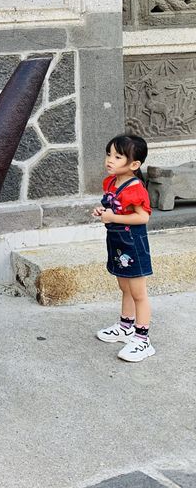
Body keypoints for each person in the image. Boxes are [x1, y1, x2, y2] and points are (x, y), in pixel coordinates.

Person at [92, 134, 155, 362]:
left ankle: (142, 339)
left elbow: (143, 218)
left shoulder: (135, 188)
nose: (110, 160)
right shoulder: (110, 182)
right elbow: (112, 206)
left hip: (133, 244)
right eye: (109, 154)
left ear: (134, 165)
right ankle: (125, 326)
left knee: (139, 292)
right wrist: (102, 211)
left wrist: (113, 217)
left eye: (118, 157)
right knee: (124, 286)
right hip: (117, 243)